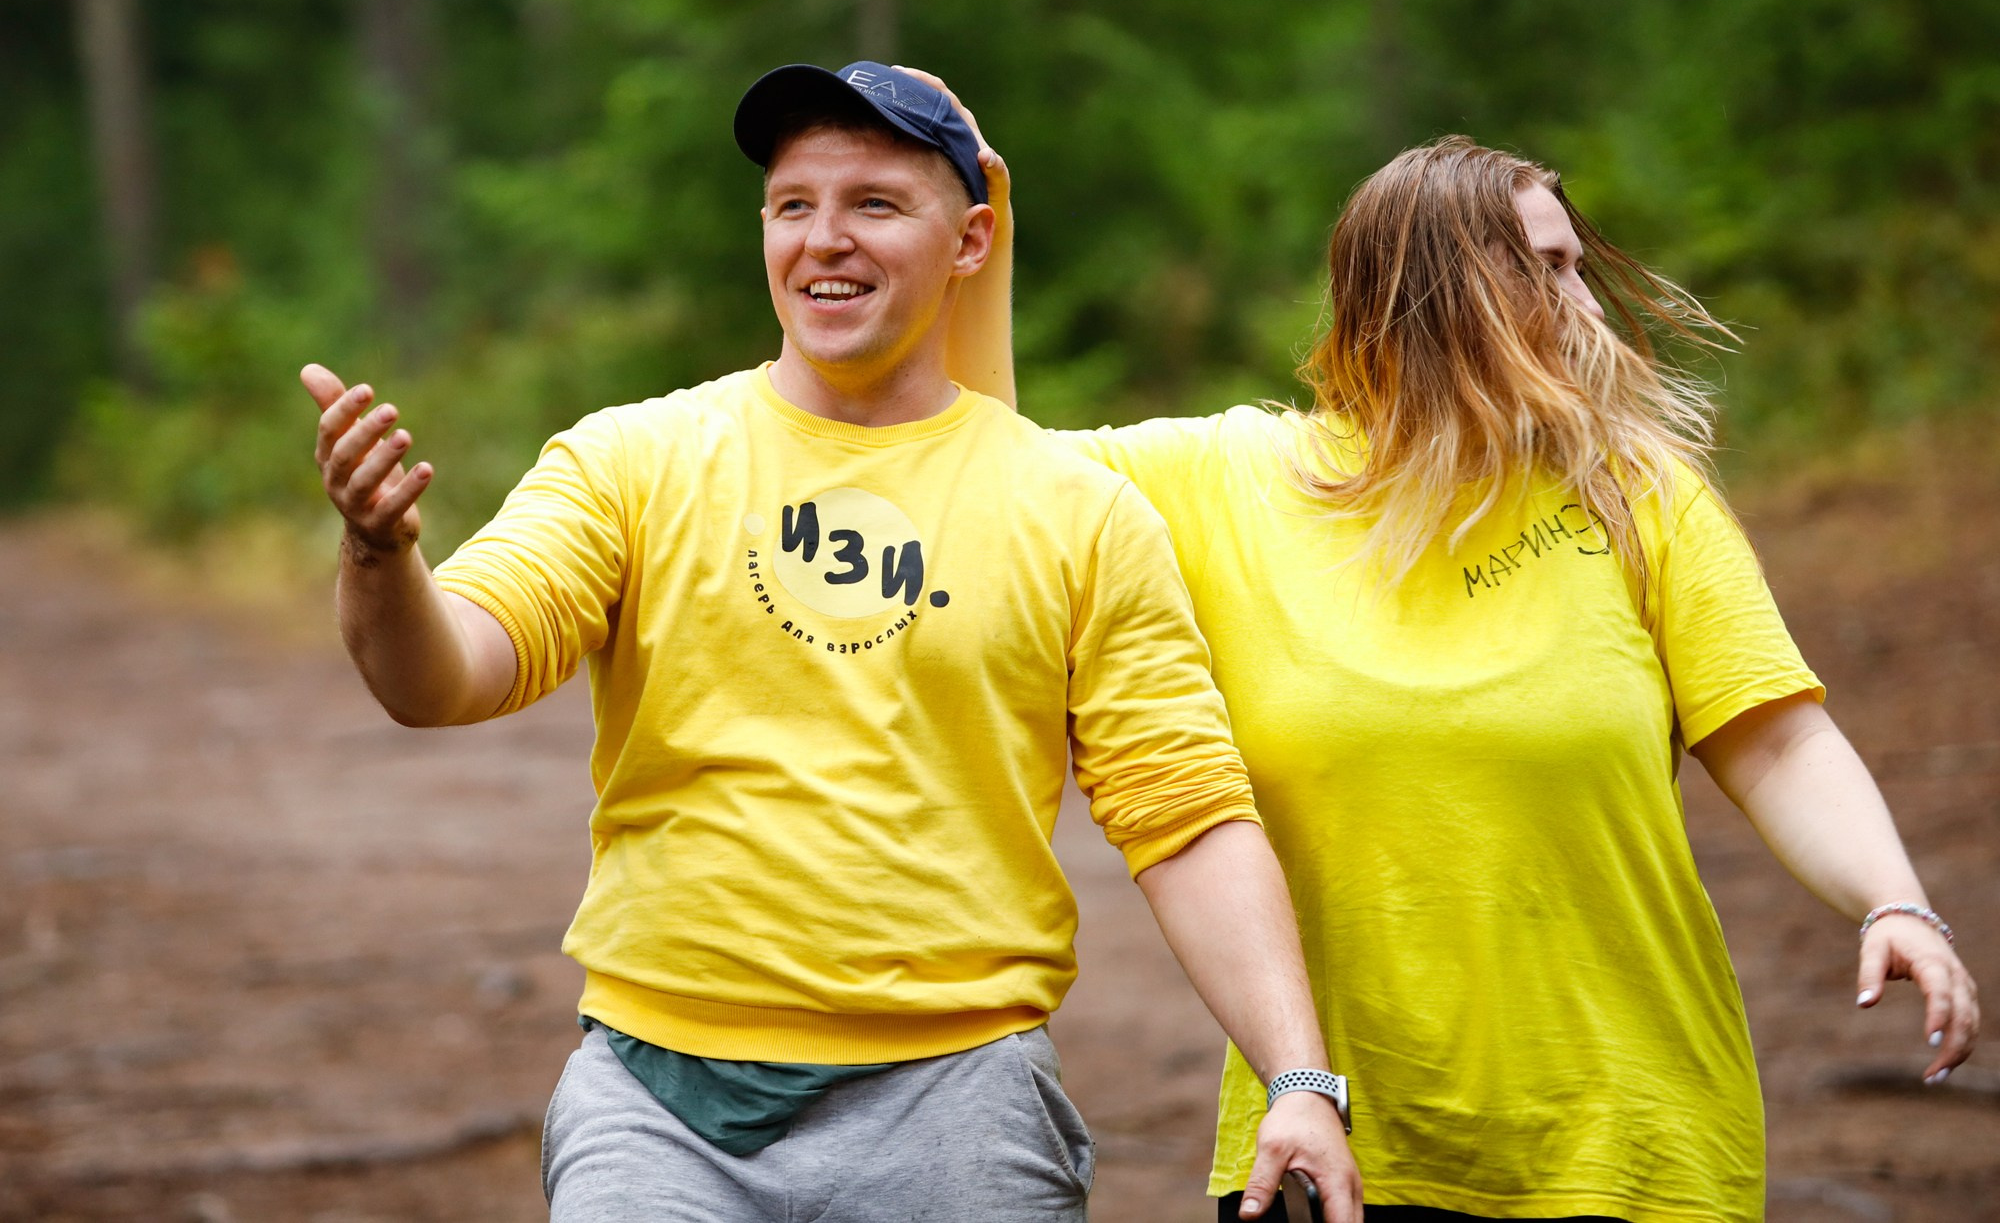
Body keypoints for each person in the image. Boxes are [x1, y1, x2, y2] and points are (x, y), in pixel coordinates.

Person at [298, 61, 1360, 1222]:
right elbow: (446, 673)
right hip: (658, 1105)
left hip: (957, 1103)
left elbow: (1186, 818)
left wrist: (1297, 1079)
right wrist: (380, 556)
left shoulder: (1079, 511)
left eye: (873, 203)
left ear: (968, 242)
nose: (823, 239)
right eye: (792, 203)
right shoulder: (632, 460)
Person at [936, 97, 1981, 1222]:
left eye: (1578, 266)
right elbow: (993, 479)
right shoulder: (1233, 481)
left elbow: (1774, 739)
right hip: (1333, 1141)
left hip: (1632, 1138)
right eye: (1549, 268)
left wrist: (1894, 901)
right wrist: (976, 236)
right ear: (1439, 294)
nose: (1586, 304)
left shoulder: (1633, 492)